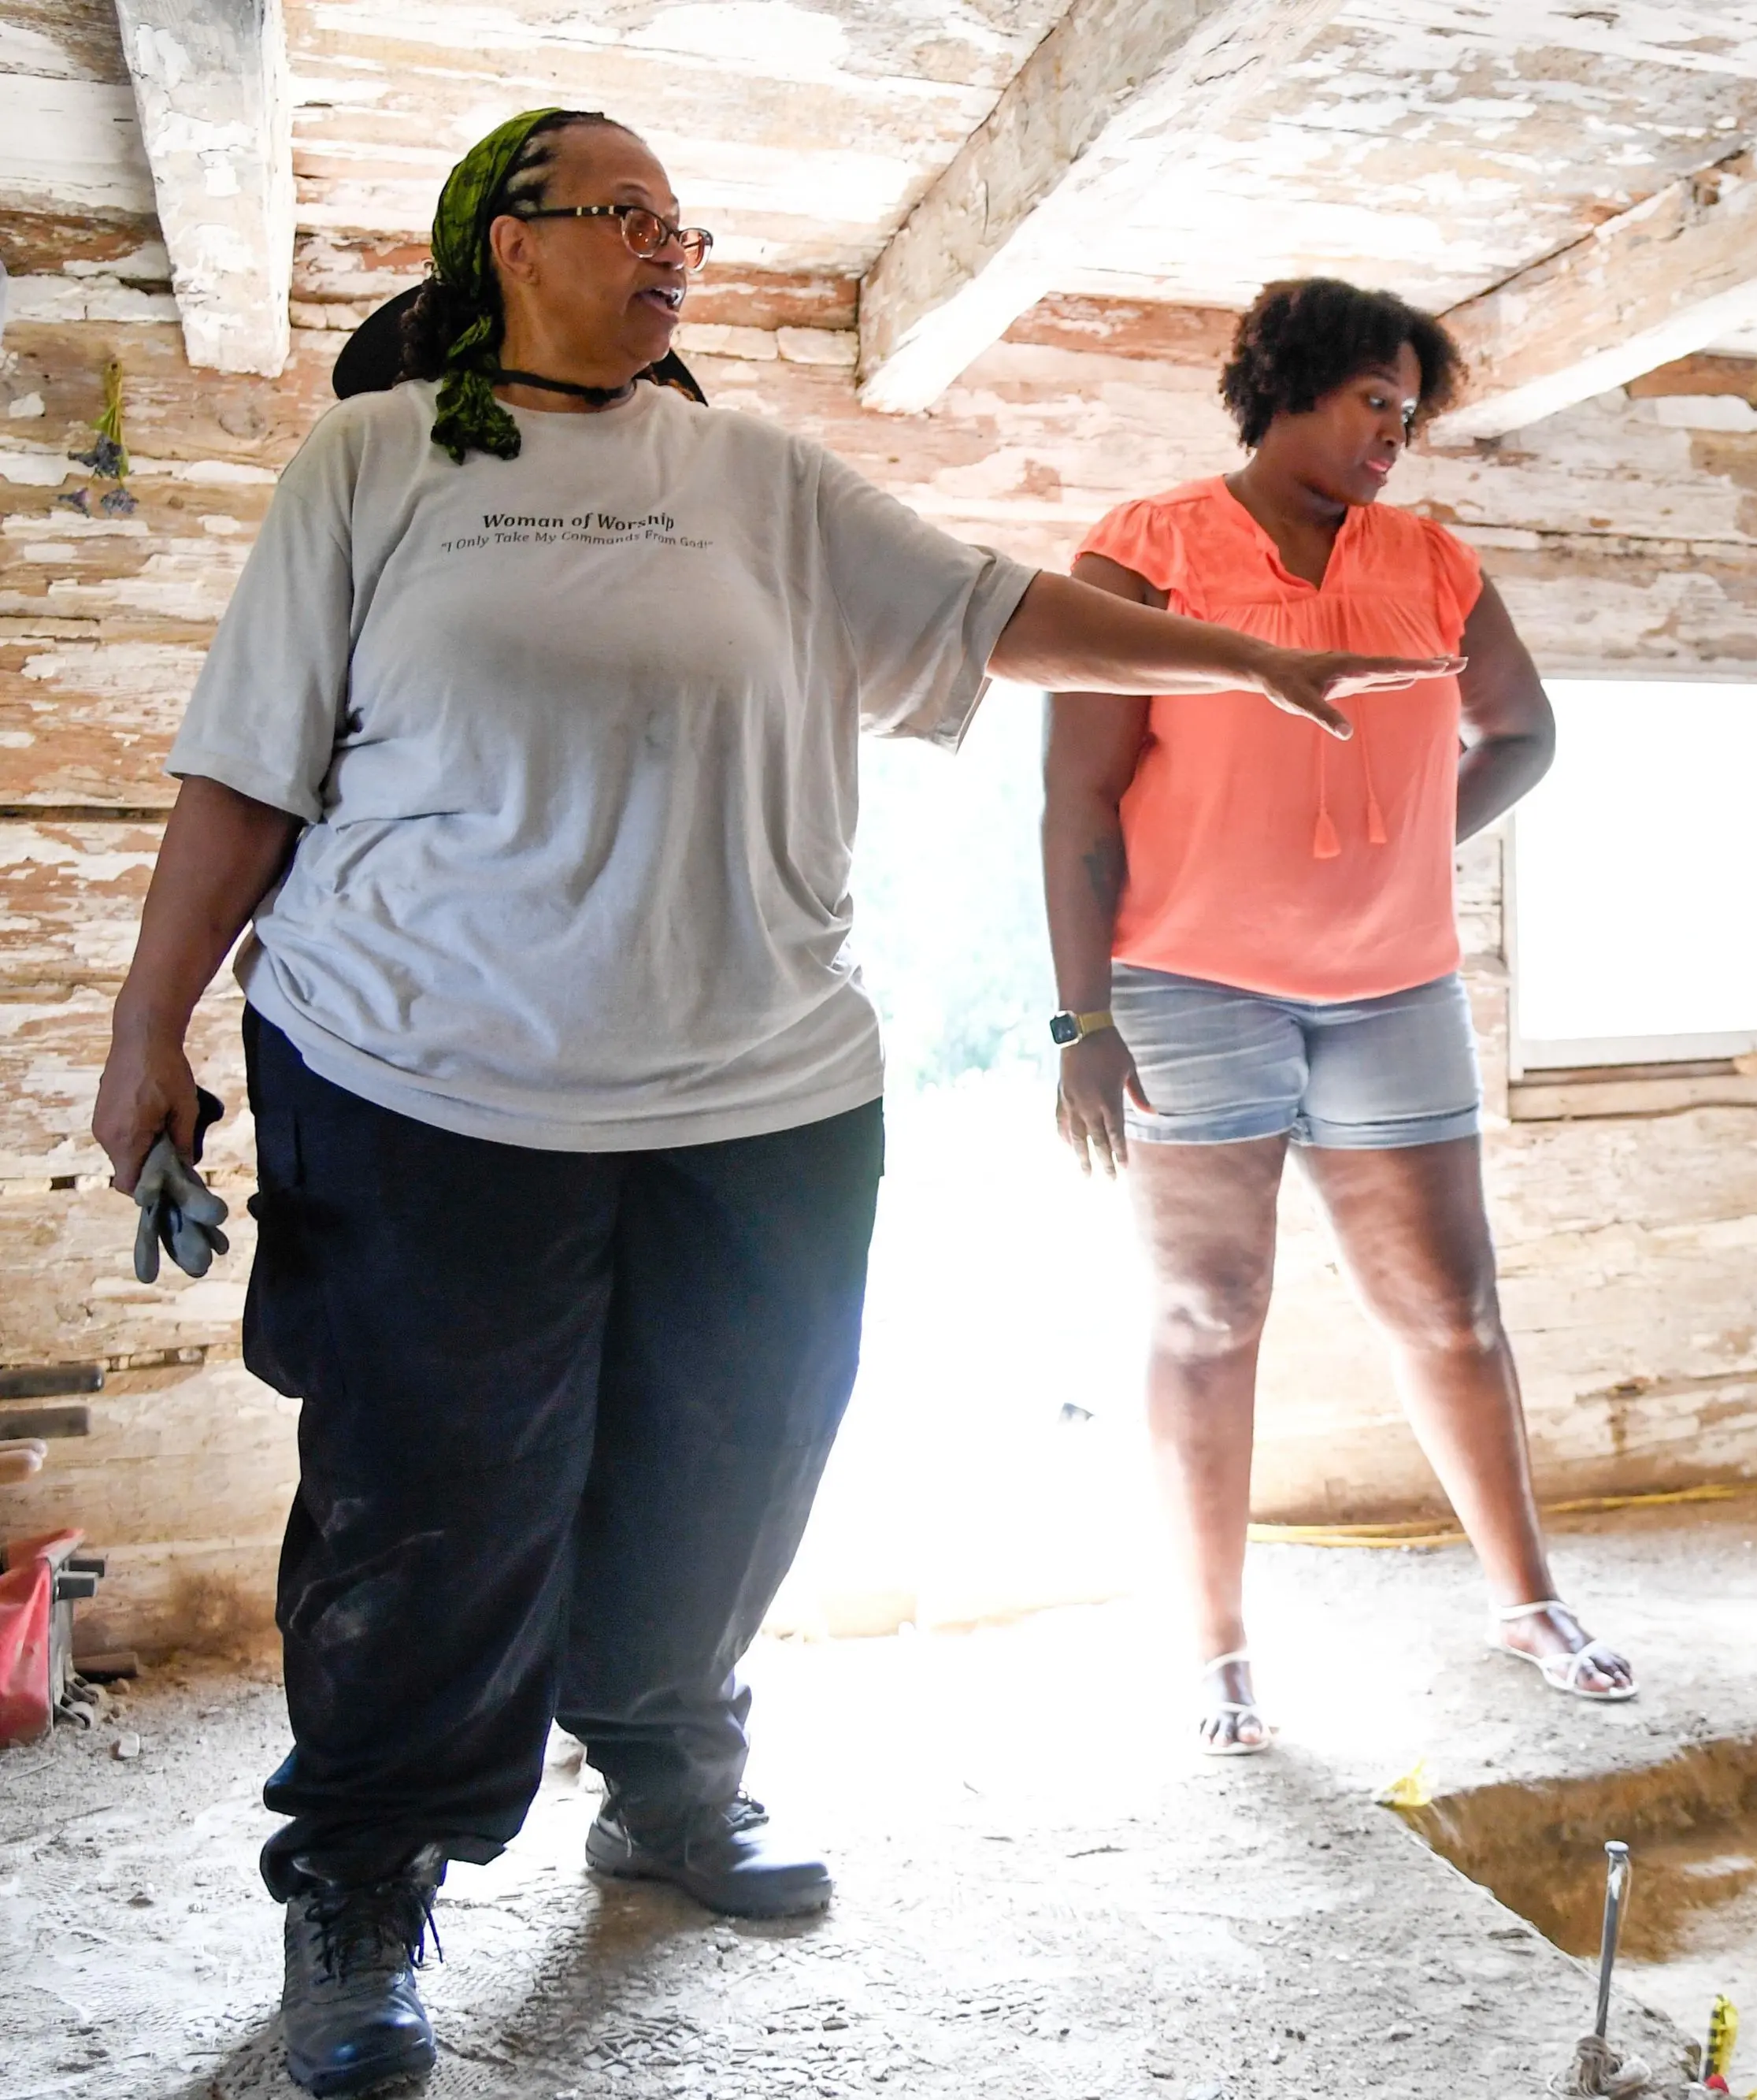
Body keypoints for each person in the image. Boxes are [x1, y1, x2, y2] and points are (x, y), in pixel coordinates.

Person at [89, 113, 1448, 2099]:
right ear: (501, 247)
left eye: (683, 221)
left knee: (731, 1465)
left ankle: (661, 1778)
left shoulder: (753, 481)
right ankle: (362, 1889)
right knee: (427, 1508)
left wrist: (1246, 662)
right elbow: (245, 779)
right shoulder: (369, 464)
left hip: (758, 1088)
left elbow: (993, 611)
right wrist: (146, 1031)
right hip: (422, 1078)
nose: (670, 248)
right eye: (623, 213)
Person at [1043, 278, 1637, 1757]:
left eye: (1411, 410)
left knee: (1450, 1307)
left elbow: (1528, 732)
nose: (1397, 432)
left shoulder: (1431, 560)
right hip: (1188, 990)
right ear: (1292, 384)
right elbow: (1075, 802)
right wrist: (1080, 1023)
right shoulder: (1145, 551)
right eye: (1377, 399)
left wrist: (1406, 851)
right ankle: (1218, 1651)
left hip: (1394, 987)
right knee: (1208, 1312)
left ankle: (1526, 1599)